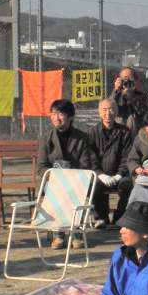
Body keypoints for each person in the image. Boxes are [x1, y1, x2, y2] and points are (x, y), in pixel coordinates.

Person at [37, 99, 96, 247]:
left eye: (60, 114)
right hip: (53, 182)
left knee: (75, 189)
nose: (56, 117)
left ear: (70, 117)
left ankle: (76, 234)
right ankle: (58, 234)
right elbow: (41, 167)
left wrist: (71, 177)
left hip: (76, 181)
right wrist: (55, 177)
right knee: (56, 189)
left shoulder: (82, 138)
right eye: (53, 114)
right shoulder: (46, 138)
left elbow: (85, 164)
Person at [88, 98, 134, 226]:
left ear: (116, 111)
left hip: (120, 175)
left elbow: (128, 156)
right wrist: (100, 174)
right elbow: (91, 157)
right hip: (100, 175)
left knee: (128, 185)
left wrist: (119, 174)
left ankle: (119, 217)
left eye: (111, 109)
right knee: (94, 185)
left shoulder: (125, 132)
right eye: (104, 110)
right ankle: (101, 218)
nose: (108, 113)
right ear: (99, 112)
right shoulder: (92, 132)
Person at [110, 66, 148, 131]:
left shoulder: (141, 95)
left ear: (135, 80)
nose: (128, 82)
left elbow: (141, 111)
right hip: (119, 130)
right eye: (125, 79)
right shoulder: (116, 94)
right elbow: (109, 107)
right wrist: (116, 90)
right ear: (120, 80)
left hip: (136, 130)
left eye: (130, 79)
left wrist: (130, 95)